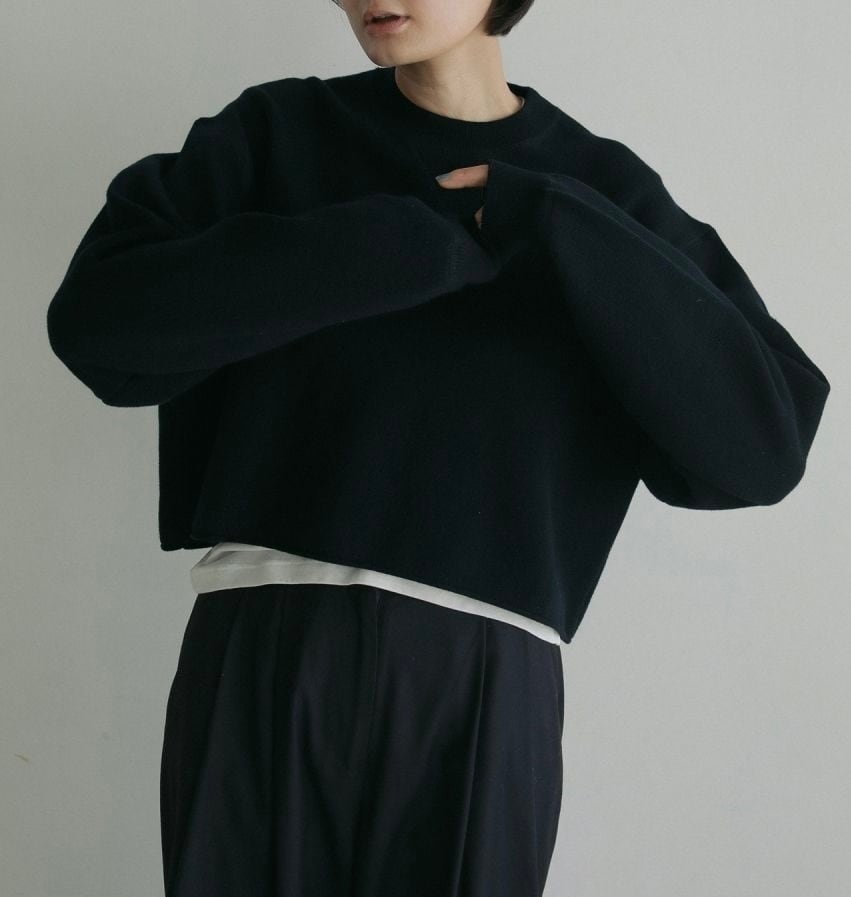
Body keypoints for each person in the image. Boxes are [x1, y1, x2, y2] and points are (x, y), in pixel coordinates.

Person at [45, 1, 831, 895]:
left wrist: (556, 224)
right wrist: (399, 242)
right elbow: (99, 331)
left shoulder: (600, 195)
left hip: (485, 679)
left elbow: (761, 449)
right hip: (266, 641)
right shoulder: (277, 135)